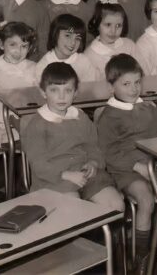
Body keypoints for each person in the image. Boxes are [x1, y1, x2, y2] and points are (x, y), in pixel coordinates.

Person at [21, 63, 124, 211]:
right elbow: (39, 164)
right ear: (43, 92)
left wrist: (93, 163)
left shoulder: (80, 117)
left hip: (84, 174)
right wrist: (65, 174)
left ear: (75, 92)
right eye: (54, 90)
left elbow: (93, 147)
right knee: (73, 209)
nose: (61, 96)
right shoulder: (37, 124)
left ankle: (102, 226)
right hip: (54, 179)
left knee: (115, 205)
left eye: (68, 90)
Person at [96, 53, 155, 269]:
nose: (134, 89)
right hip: (125, 170)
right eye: (126, 84)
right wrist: (137, 166)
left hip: (151, 165)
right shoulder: (109, 116)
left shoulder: (147, 108)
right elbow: (108, 152)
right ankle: (140, 256)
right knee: (146, 199)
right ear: (111, 87)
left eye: (137, 82)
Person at [0, 22, 37, 143]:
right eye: (13, 45)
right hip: (6, 128)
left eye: (24, 46)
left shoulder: (35, 68)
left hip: (34, 124)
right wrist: (13, 120)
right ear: (1, 44)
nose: (18, 51)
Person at [85, 2, 146, 78]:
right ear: (96, 23)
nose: (113, 31)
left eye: (118, 25)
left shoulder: (129, 45)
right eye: (108, 25)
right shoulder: (90, 55)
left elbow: (143, 73)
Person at [35, 14, 100, 83]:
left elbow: (90, 86)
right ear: (55, 34)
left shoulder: (83, 62)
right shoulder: (43, 66)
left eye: (77, 38)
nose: (73, 42)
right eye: (67, 35)